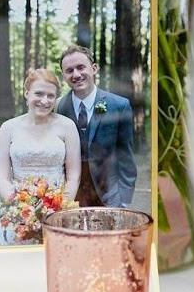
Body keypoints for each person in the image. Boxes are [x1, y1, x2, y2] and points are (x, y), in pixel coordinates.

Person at [0, 68, 80, 245]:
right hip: (17, 211)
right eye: (39, 93)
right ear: (26, 93)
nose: (44, 101)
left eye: (50, 96)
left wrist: (59, 209)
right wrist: (20, 208)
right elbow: (1, 175)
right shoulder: (8, 128)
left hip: (56, 211)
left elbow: (73, 175)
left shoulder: (67, 127)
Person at [57, 45, 138, 209]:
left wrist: (124, 200)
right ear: (64, 75)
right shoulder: (59, 107)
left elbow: (126, 157)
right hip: (71, 197)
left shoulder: (119, 105)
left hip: (109, 196)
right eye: (69, 70)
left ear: (94, 68)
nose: (76, 74)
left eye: (81, 67)